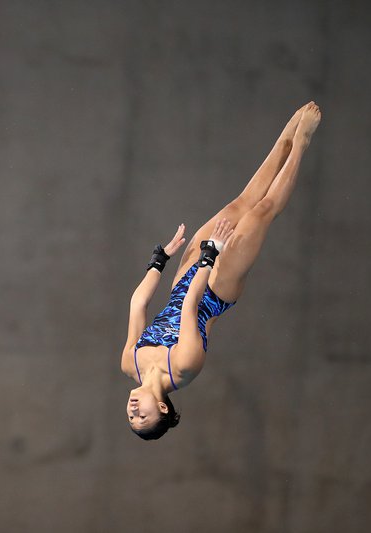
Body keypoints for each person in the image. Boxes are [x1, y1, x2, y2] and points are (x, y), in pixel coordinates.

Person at [120, 102, 321, 440]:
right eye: (143, 418)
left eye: (131, 420)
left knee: (237, 205)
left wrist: (160, 259)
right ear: (163, 408)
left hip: (184, 280)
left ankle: (285, 137)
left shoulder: (130, 364)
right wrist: (211, 254)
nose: (134, 413)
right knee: (260, 213)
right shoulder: (184, 367)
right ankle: (300, 145)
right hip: (213, 292)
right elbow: (190, 308)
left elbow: (137, 305)